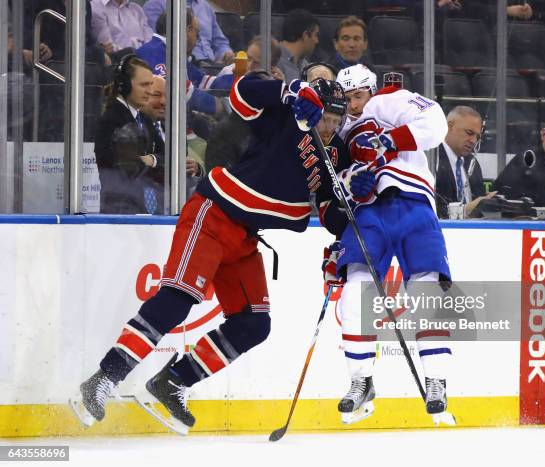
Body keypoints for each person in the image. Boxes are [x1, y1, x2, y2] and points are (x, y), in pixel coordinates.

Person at [70, 73, 348, 434]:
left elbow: (330, 212)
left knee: (254, 323)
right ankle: (104, 379)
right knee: (177, 299)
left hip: (245, 240)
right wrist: (290, 90)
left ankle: (172, 382)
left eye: (335, 121)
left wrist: (352, 220)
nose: (327, 126)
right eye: (324, 116)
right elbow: (242, 93)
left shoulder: (334, 155)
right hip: (215, 213)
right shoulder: (287, 115)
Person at [328, 64, 452, 424]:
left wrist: (391, 140)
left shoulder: (391, 100)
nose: (352, 105)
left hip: (414, 204)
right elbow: (338, 185)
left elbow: (436, 124)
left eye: (357, 96)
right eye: (346, 97)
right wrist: (353, 185)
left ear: (370, 90)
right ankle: (361, 381)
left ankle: (436, 379)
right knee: (355, 291)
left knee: (427, 291)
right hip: (369, 214)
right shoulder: (339, 132)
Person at [94, 54, 163, 214]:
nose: (150, 91)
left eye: (151, 84)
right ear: (125, 85)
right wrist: (148, 163)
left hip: (138, 206)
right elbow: (123, 164)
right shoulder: (111, 118)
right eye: (144, 85)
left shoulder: (144, 118)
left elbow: (165, 154)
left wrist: (151, 160)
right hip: (119, 208)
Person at [136, 10, 220, 116]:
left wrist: (237, 78)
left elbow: (204, 81)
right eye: (197, 34)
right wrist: (218, 106)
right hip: (160, 127)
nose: (197, 41)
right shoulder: (152, 51)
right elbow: (176, 91)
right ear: (188, 31)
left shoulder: (172, 52)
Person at [435, 106, 497, 218]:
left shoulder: (473, 162)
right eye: (469, 133)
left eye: (477, 136)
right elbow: (432, 208)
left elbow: (477, 202)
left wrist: (485, 202)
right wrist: (464, 210)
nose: (473, 141)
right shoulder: (432, 158)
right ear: (449, 126)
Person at [141, 75, 205, 179]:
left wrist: (196, 169)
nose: (163, 102)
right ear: (141, 96)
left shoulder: (174, 128)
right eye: (156, 95)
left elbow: (185, 161)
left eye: (167, 97)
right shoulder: (135, 126)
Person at [143, 0, 234, 65]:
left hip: (213, 66)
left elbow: (220, 42)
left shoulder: (205, 6)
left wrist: (225, 54)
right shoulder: (155, 4)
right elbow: (160, 42)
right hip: (180, 67)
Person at [90, 0, 155, 55]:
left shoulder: (136, 8)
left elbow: (150, 38)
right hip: (118, 62)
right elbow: (108, 47)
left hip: (146, 59)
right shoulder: (96, 7)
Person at [278, 9, 320, 82]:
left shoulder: (305, 65)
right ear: (306, 35)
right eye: (316, 35)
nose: (317, 41)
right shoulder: (272, 61)